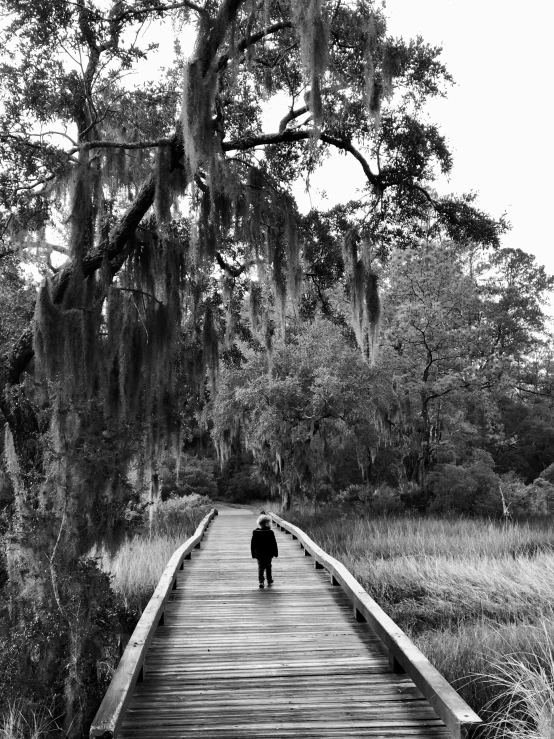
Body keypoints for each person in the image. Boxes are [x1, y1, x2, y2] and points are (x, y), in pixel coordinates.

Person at [251, 514, 278, 588]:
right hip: (268, 554)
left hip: (259, 554)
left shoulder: (255, 533)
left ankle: (261, 581)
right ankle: (269, 579)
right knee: (268, 566)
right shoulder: (270, 532)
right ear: (267, 523)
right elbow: (274, 544)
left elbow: (253, 544)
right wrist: (275, 553)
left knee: (261, 567)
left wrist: (253, 554)